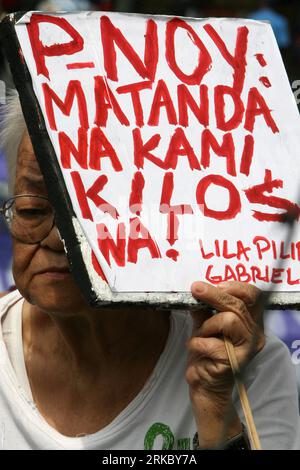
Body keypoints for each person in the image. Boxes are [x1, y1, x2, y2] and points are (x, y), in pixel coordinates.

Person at [0, 93, 299, 450]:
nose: (56, 239)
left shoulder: (242, 367)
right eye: (32, 210)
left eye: (91, 213)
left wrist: (219, 421)